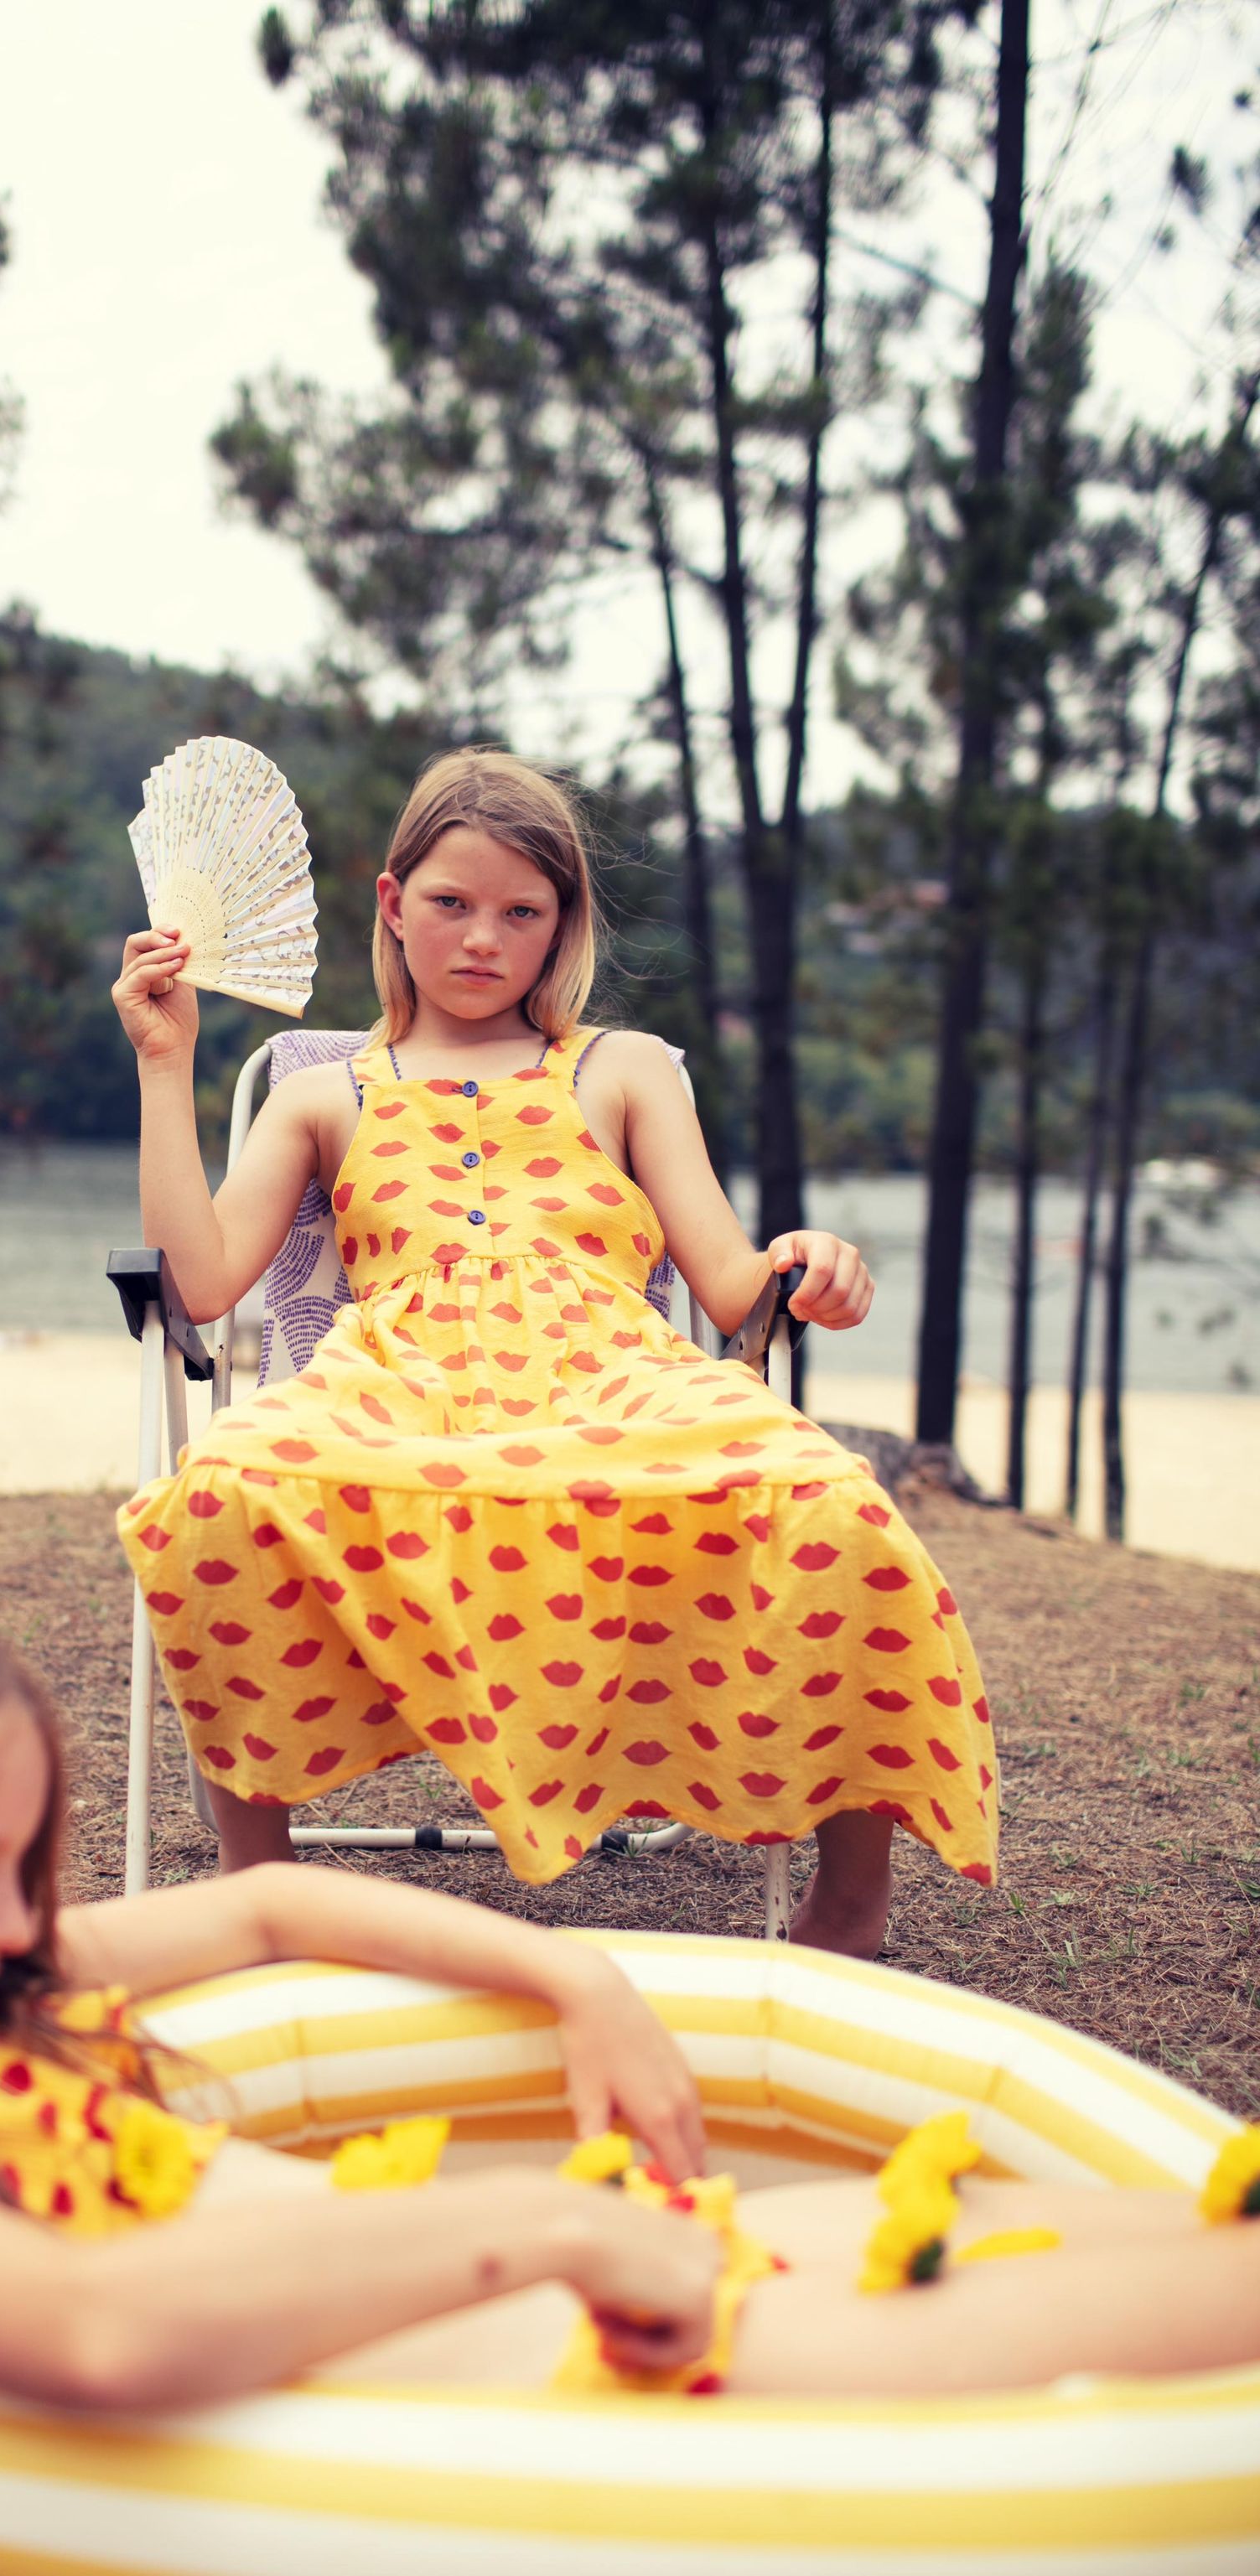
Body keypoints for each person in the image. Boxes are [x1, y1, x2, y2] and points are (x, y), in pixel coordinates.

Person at [0, 1558, 1260, 2415]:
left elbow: (271, 1912)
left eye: (23, 1866)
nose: (14, 1917)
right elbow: (91, 2332)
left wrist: (566, 1970)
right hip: (571, 2372)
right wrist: (545, 2229)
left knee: (1183, 2226)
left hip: (593, 2279)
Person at [111, 749, 993, 1954]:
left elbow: (735, 1284)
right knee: (221, 1494)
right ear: (392, 904)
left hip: (614, 1372)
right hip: (401, 1381)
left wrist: (811, 1261)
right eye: (451, 904)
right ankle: (259, 1892)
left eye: (523, 912)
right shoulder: (330, 1094)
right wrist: (168, 1063)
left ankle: (851, 1904)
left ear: (561, 925)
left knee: (836, 1507)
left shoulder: (619, 1069)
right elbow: (204, 1277)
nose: (484, 939)